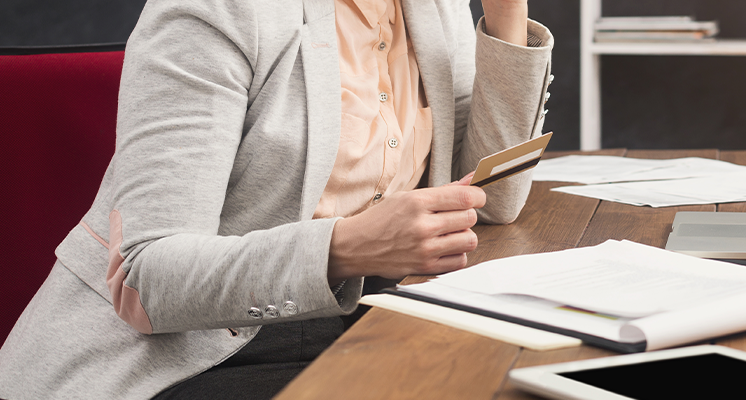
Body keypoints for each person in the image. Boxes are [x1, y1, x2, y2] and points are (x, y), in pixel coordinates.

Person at [0, 0, 552, 397]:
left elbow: (493, 199)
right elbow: (150, 277)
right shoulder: (219, 10)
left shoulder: (434, 9)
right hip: (188, 355)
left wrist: (506, 15)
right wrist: (347, 247)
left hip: (357, 314)